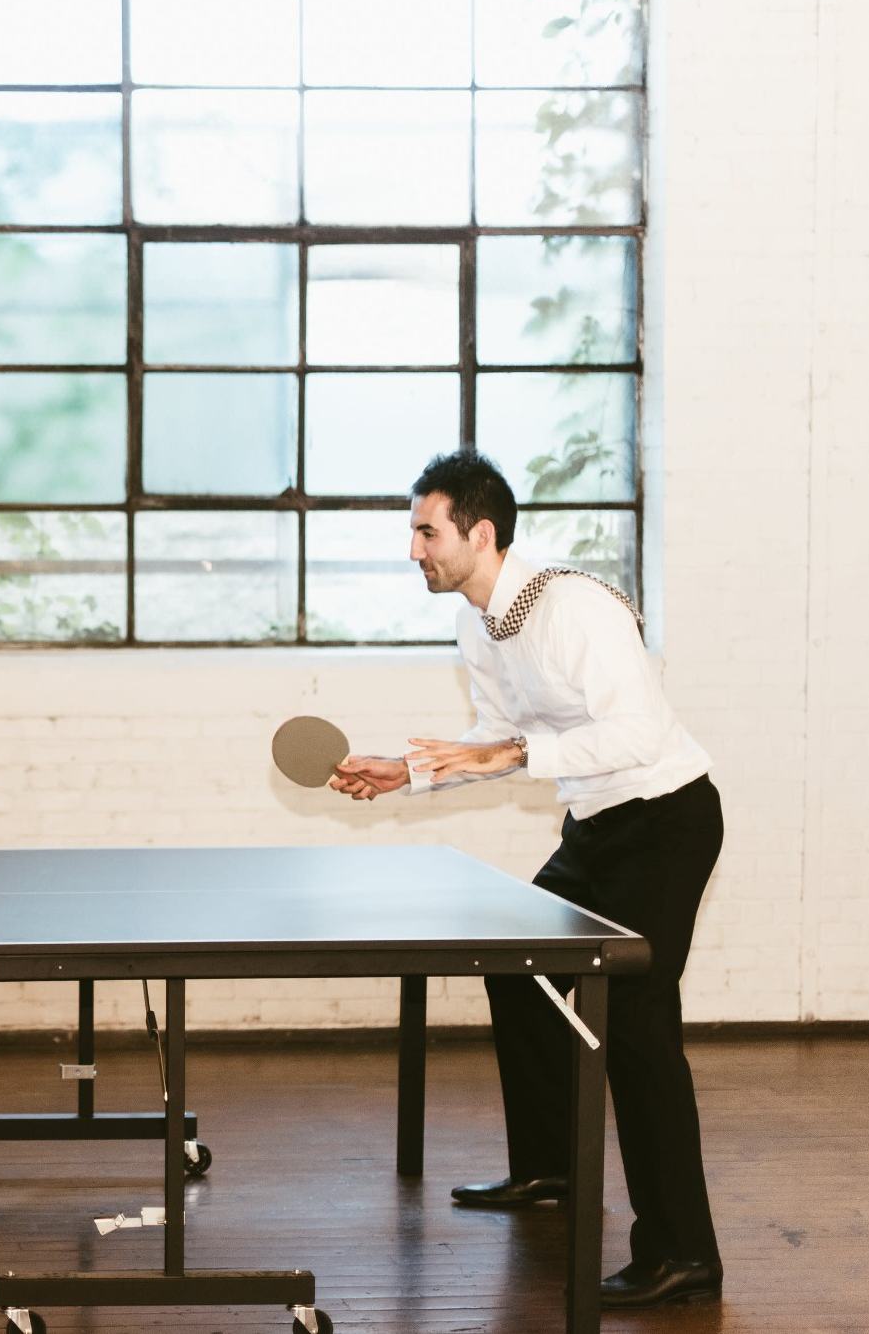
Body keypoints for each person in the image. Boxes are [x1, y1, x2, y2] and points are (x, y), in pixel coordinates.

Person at [328, 451, 724, 1309]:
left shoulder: (573, 607)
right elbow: (496, 738)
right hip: (595, 826)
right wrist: (408, 771)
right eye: (413, 532)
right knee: (521, 971)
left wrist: (512, 752)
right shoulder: (479, 622)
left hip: (664, 821)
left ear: (480, 532)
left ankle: (684, 1251)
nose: (413, 549)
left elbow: (638, 736)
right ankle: (549, 1166)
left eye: (426, 531)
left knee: (637, 1030)